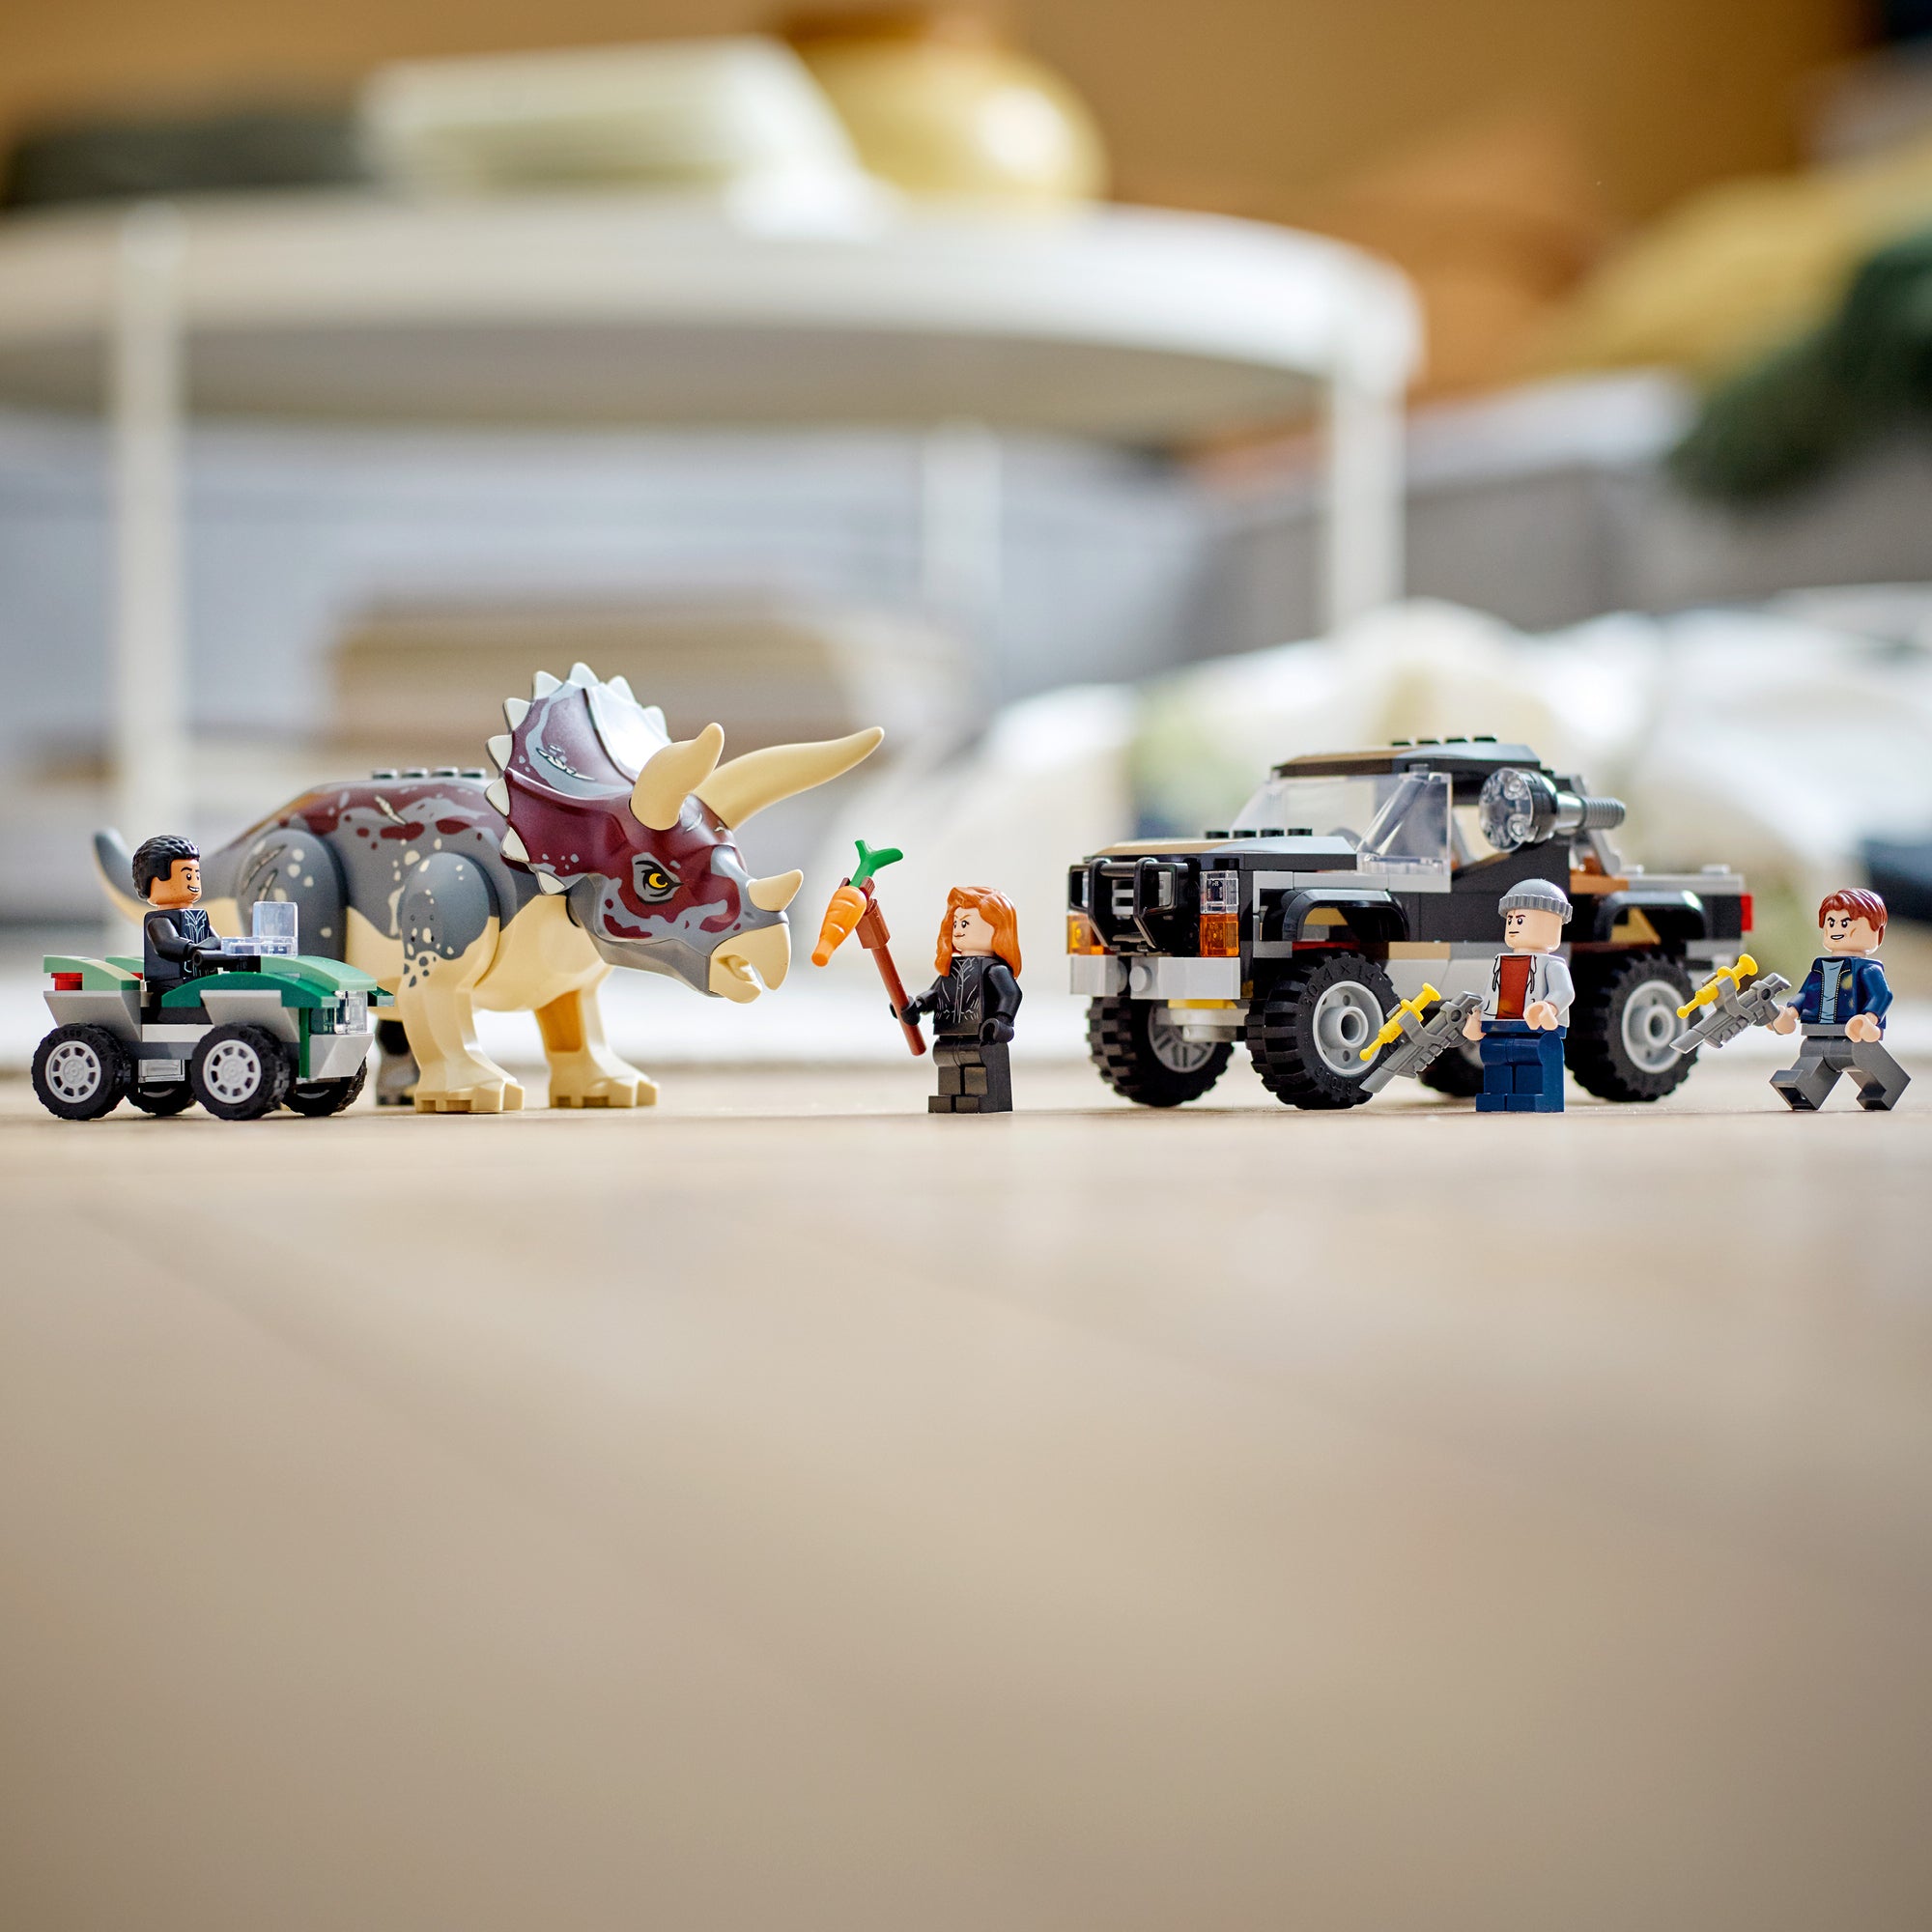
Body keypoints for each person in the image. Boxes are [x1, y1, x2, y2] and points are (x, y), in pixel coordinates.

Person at [1768, 887, 1910, 1112]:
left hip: (1854, 1032)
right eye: (1831, 922)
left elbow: (1882, 995)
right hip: (1818, 1031)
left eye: (1845, 923)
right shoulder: (1820, 966)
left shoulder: (1868, 968)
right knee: (1812, 1056)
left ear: (1878, 932)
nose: (1836, 929)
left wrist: (1869, 1020)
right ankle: (1803, 1090)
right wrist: (1790, 1014)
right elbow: (1806, 993)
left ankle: (1887, 1086)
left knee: (1858, 1054)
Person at [901, 887, 1022, 1114]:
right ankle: (950, 1098)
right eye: (955, 923)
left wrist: (1001, 1021)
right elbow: (935, 993)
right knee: (947, 1061)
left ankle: (982, 1099)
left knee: (979, 1063)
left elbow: (1011, 994)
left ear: (996, 928)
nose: (957, 930)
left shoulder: (994, 969)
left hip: (982, 1036)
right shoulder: (951, 968)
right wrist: (916, 1006)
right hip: (949, 1033)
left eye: (965, 923)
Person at [1462, 878, 1575, 1113]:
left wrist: (1549, 1007)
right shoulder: (1501, 962)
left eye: (1520, 920)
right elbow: (1491, 994)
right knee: (1495, 1056)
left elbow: (1564, 992)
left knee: (1533, 1058)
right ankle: (1496, 1095)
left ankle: (1535, 1096)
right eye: (1511, 920)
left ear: (1552, 925)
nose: (1513, 925)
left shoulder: (1552, 965)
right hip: (1499, 1028)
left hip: (1537, 1030)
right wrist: (1479, 1017)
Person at [132, 834, 224, 999]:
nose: (193, 882)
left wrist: (213, 949)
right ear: (154, 881)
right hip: (170, 983)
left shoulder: (198, 916)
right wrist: (193, 950)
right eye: (188, 876)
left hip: (202, 977)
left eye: (196, 876)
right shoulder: (159, 920)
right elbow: (166, 943)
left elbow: (215, 940)